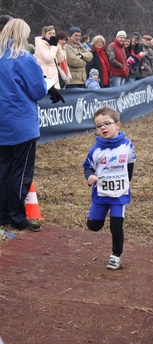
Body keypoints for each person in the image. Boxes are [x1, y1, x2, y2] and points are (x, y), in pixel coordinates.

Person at [0, 18, 64, 232]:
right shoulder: (23, 58)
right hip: (20, 123)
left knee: (4, 169)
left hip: (3, 123)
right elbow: (36, 90)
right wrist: (48, 86)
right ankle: (17, 217)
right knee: (20, 172)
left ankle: (2, 214)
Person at [83, 106, 136, 270]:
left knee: (116, 226)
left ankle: (116, 256)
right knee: (93, 226)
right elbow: (87, 167)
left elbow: (130, 165)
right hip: (101, 193)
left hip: (119, 194)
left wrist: (126, 182)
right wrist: (90, 176)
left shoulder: (127, 146)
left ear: (117, 125)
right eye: (99, 126)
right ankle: (97, 217)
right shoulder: (96, 149)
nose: (103, 128)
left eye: (107, 123)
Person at [34, 25, 65, 89]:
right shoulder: (40, 45)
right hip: (46, 76)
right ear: (44, 34)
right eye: (49, 33)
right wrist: (53, 46)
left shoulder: (52, 45)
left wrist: (57, 46)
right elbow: (49, 58)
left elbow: (60, 59)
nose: (52, 35)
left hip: (54, 76)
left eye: (53, 33)